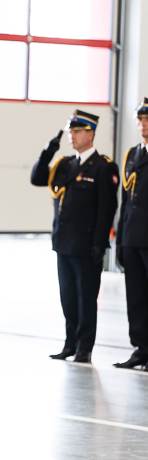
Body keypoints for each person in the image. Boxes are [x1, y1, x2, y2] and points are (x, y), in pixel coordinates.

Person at [30, 110, 118, 364]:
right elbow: (37, 178)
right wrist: (48, 151)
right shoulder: (66, 164)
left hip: (87, 244)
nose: (72, 136)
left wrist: (99, 243)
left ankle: (84, 348)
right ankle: (69, 344)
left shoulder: (103, 166)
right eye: (70, 132)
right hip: (63, 242)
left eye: (77, 132)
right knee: (68, 297)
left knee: (86, 299)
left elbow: (106, 208)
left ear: (90, 134)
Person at [115, 97, 148, 369]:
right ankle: (141, 348)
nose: (142, 124)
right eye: (140, 119)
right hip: (132, 238)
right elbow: (126, 200)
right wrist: (121, 241)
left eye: (146, 119)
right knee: (135, 296)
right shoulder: (132, 155)